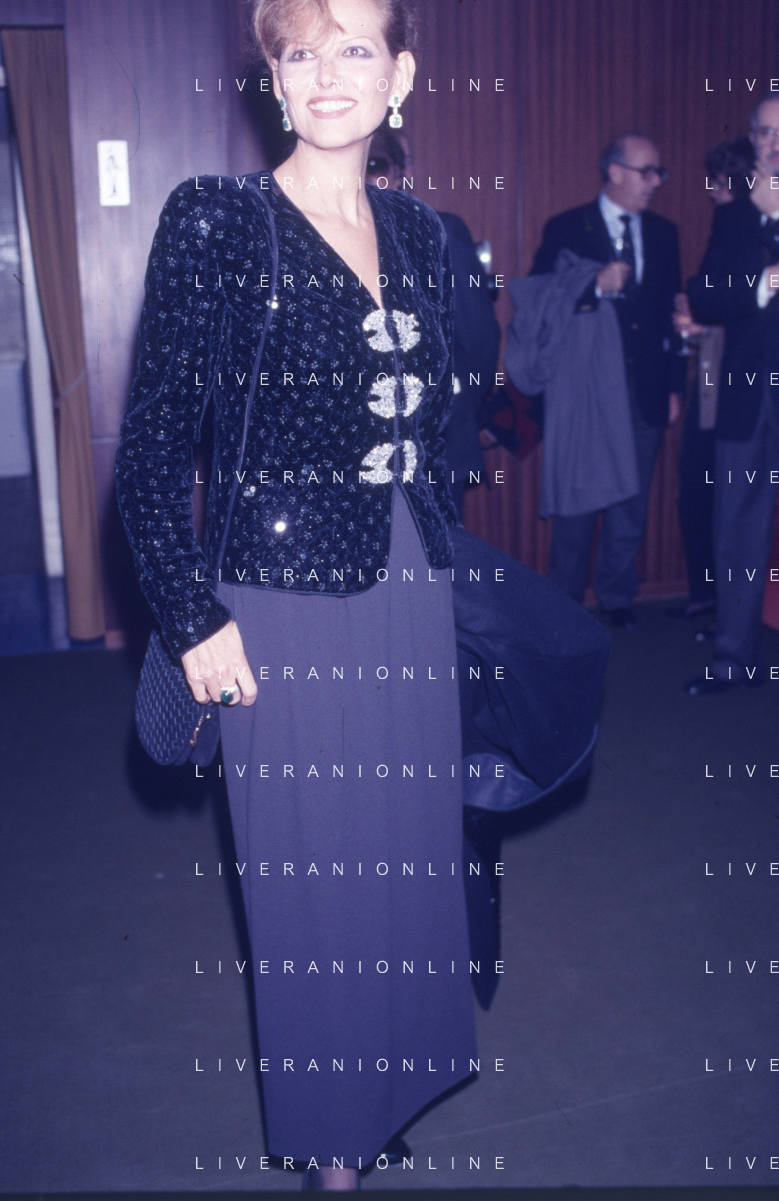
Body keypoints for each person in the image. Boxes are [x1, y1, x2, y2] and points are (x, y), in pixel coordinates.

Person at [115, 0, 478, 1188]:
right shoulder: (215, 218)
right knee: (313, 878)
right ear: (270, 80)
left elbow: (443, 409)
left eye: (354, 47)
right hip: (273, 602)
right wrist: (191, 616)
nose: (328, 73)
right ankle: (332, 1138)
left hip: (408, 583)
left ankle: (387, 1087)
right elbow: (151, 445)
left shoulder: (421, 229)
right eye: (300, 51)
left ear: (399, 74)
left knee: (406, 855)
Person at [530, 133, 684, 627]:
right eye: (647, 171)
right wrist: (592, 286)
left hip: (645, 391)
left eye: (659, 172)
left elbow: (672, 314)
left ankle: (617, 597)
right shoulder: (566, 227)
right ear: (615, 172)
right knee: (578, 501)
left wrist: (675, 385)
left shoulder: (664, 233)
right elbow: (539, 301)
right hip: (587, 393)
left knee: (631, 502)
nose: (656, 182)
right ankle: (565, 603)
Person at [685, 94, 779, 695]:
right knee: (738, 526)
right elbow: (706, 295)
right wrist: (762, 281)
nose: (773, 143)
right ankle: (733, 655)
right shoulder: (737, 214)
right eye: (764, 132)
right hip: (749, 395)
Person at [366, 126, 501, 518]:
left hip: (433, 441)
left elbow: (479, 339)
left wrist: (451, 407)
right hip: (353, 448)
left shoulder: (437, 233)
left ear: (401, 173)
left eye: (377, 164)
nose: (367, 176)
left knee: (436, 550)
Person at [670, 137, 755, 623]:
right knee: (701, 490)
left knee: (722, 498)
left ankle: (724, 606)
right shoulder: (733, 221)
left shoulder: (738, 220)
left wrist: (701, 319)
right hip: (712, 376)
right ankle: (709, 596)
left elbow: (735, 304)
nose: (711, 190)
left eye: (718, 181)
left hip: (734, 384)